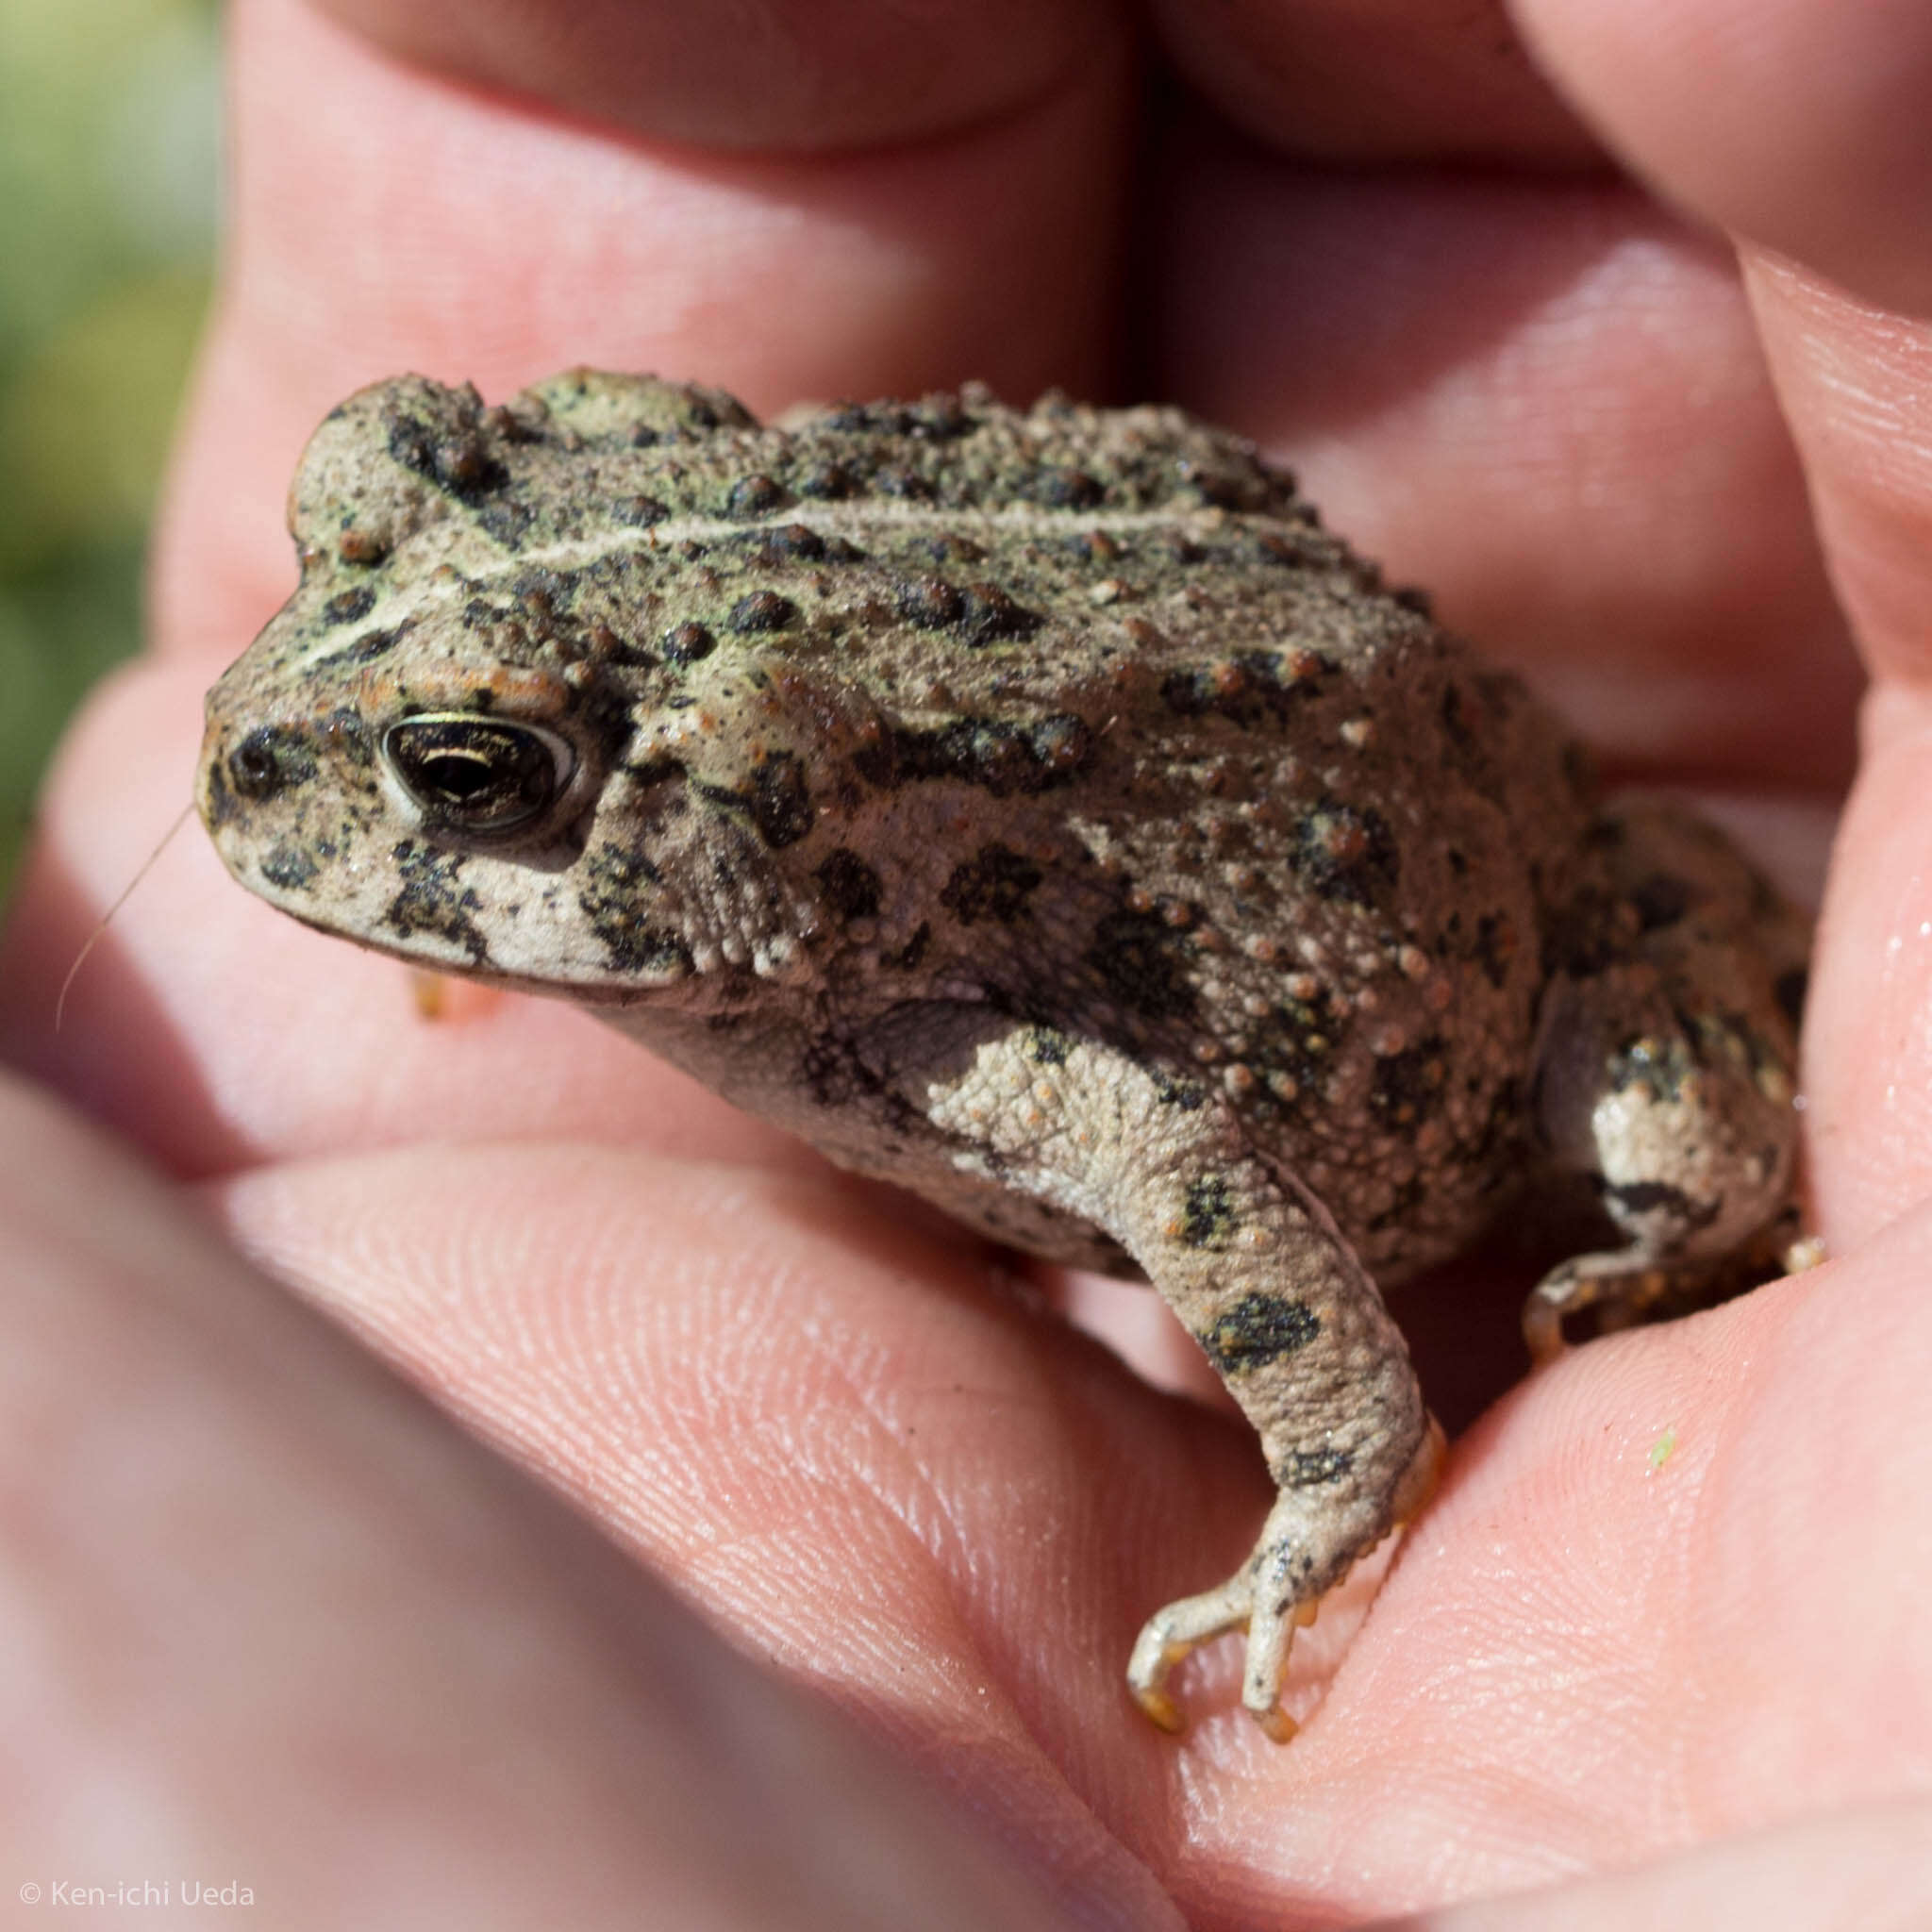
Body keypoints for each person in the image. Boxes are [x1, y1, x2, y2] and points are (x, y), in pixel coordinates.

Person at [3, 0, 1928, 1921]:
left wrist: (1344, 1473)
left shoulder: (923, 1011)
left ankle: (1674, 1237)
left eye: (470, 782)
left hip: (1498, 937)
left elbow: (1168, 1155)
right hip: (1029, 663)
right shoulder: (781, 888)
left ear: (732, 821)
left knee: (1677, 1146)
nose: (264, 734)